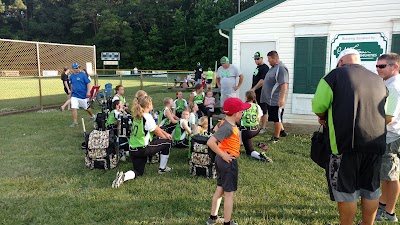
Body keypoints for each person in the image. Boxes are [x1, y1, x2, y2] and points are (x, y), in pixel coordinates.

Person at [312, 48, 387, 225]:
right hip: (375, 143)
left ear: (340, 62)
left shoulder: (333, 76)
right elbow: (387, 112)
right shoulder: (378, 79)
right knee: (371, 189)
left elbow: (318, 106)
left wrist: (322, 117)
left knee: (347, 192)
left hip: (345, 144)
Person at [206, 97, 250, 225]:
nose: (242, 113)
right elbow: (210, 142)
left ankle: (212, 218)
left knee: (220, 188)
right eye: (241, 111)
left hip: (221, 161)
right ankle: (227, 222)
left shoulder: (224, 123)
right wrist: (224, 155)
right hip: (227, 161)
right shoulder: (228, 128)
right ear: (236, 113)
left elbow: (215, 129)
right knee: (229, 194)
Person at [112, 95, 173, 188]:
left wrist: (164, 133)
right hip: (142, 149)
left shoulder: (137, 115)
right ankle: (162, 169)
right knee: (167, 143)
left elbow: (155, 127)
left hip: (133, 149)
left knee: (138, 172)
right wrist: (166, 137)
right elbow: (156, 131)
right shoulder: (147, 117)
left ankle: (124, 177)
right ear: (148, 105)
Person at [375, 53, 400, 222]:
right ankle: (383, 204)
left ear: (394, 67)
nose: (378, 69)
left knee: (392, 176)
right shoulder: (388, 83)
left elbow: (389, 117)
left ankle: (389, 213)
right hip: (390, 134)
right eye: (377, 66)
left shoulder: (393, 87)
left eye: (382, 66)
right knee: (386, 173)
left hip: (391, 136)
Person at [257, 51, 288, 142]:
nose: (268, 61)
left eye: (269, 59)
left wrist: (281, 98)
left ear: (275, 58)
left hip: (276, 99)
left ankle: (276, 137)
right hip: (270, 99)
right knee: (275, 116)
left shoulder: (281, 68)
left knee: (277, 118)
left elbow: (284, 84)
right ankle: (282, 131)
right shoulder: (273, 68)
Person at [241, 91, 272, 162]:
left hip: (246, 131)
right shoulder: (257, 106)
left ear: (246, 97)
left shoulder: (243, 106)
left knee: (249, 151)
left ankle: (260, 157)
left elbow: (239, 118)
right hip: (256, 129)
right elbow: (258, 119)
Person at [69, 63, 95, 127]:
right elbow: (72, 85)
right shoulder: (71, 76)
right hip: (75, 95)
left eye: (78, 68)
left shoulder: (83, 75)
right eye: (76, 68)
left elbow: (88, 83)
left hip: (83, 95)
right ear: (73, 69)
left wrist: (88, 92)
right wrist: (71, 93)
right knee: (74, 107)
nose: (77, 69)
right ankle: (75, 122)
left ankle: (93, 116)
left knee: (86, 107)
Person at [249, 51, 269, 133]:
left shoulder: (265, 68)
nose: (256, 61)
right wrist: (252, 89)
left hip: (262, 92)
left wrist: (254, 89)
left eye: (258, 59)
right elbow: (255, 80)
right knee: (256, 109)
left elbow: (262, 81)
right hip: (255, 92)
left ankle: (263, 127)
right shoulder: (257, 68)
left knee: (263, 109)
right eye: (255, 59)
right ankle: (256, 125)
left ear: (262, 58)